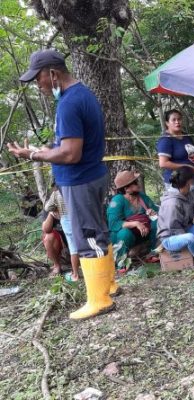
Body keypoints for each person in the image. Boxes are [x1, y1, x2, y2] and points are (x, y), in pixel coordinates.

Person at [9, 49, 118, 320]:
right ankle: (109, 285)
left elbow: (71, 153)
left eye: (39, 78)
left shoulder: (69, 103)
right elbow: (69, 145)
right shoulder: (84, 94)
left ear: (54, 73)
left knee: (87, 237)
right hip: (92, 174)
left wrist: (34, 154)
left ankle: (99, 298)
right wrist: (46, 149)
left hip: (80, 180)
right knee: (98, 231)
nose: (38, 84)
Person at [107, 170, 159, 263]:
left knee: (158, 222)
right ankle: (120, 261)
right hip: (124, 235)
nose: (138, 184)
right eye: (135, 183)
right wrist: (135, 223)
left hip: (144, 233)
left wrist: (152, 212)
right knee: (125, 233)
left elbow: (157, 211)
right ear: (126, 189)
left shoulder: (142, 197)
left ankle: (153, 252)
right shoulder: (117, 201)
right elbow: (113, 223)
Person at [45, 182, 80, 281]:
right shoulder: (77, 187)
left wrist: (54, 209)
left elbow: (47, 207)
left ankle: (75, 274)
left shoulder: (57, 193)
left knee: (74, 248)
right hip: (81, 216)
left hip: (67, 219)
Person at [41, 210, 69, 277]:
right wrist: (51, 213)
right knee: (48, 236)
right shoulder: (49, 207)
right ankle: (57, 265)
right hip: (63, 249)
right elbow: (45, 229)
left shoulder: (70, 203)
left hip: (75, 243)